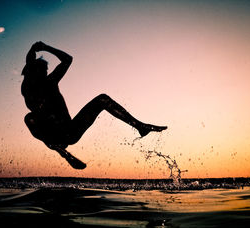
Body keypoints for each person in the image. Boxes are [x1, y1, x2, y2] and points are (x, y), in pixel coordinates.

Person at [21, 41, 167, 169]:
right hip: (53, 136)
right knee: (29, 118)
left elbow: (67, 60)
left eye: (46, 71)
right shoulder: (29, 87)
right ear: (33, 72)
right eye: (42, 71)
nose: (46, 73)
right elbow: (31, 63)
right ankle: (64, 153)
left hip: (71, 131)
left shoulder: (50, 81)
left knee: (102, 99)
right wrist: (38, 51)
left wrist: (44, 48)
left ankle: (139, 126)